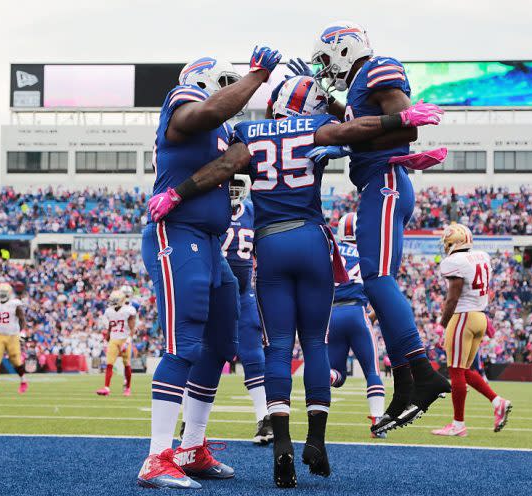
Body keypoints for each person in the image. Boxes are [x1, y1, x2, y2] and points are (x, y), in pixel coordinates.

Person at [148, 75, 443, 488]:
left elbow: (224, 166)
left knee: (278, 347)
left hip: (270, 244)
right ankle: (317, 440)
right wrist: (399, 122)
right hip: (310, 237)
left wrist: (177, 193)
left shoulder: (247, 131)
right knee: (316, 344)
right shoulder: (311, 128)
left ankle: (281, 441)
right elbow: (353, 130)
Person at [137, 47, 282, 490]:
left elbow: (237, 158)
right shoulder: (182, 103)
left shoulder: (222, 132)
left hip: (210, 244)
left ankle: (190, 447)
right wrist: (257, 77)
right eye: (229, 85)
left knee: (219, 345)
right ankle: (156, 456)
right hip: (176, 234)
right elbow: (212, 110)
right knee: (184, 341)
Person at [311, 21, 452, 433]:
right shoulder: (357, 87)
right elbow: (362, 118)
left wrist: (344, 140)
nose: (323, 67)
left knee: (378, 278)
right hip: (377, 182)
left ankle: (422, 373)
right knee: (375, 281)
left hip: (386, 180)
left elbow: (405, 124)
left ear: (343, 49)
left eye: (324, 58)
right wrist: (335, 112)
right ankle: (406, 385)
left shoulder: (377, 68)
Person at [430, 224, 511, 437]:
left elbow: (453, 298)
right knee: (464, 371)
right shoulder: (482, 256)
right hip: (479, 317)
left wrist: (442, 325)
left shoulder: (454, 262)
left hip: (463, 317)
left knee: (456, 371)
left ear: (453, 243)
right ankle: (497, 401)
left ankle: (458, 425)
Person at [221, 175, 273, 445]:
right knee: (202, 354)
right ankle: (191, 424)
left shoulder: (254, 211)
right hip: (213, 291)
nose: (231, 188)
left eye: (236, 183)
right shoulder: (208, 208)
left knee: (253, 354)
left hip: (243, 292)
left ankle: (265, 418)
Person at [327, 213, 386, 438]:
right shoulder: (369, 254)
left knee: (337, 375)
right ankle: (378, 422)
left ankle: (326, 375)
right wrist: (371, 316)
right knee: (372, 370)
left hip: (332, 314)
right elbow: (381, 293)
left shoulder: (330, 251)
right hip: (356, 311)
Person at [0, 282, 28, 394]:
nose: (3, 294)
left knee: (16, 360)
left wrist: (22, 332)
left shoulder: (15, 304)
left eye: (4, 292)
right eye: (1, 292)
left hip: (12, 335)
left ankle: (23, 381)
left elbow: (22, 319)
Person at [97, 290, 136, 396]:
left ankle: (128, 388)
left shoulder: (129, 310)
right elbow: (110, 327)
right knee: (109, 364)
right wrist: (106, 339)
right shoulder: (109, 311)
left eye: (115, 300)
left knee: (127, 364)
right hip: (114, 339)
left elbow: (133, 328)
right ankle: (106, 388)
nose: (113, 302)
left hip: (125, 339)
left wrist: (128, 341)